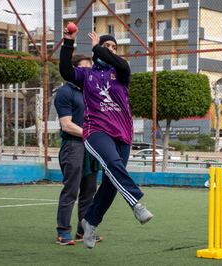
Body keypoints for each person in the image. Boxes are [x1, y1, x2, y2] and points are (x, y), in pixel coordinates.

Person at [59, 28, 153, 249]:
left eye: (114, 48)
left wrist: (98, 47)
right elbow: (65, 70)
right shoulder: (87, 75)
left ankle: (90, 222)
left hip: (123, 134)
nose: (110, 51)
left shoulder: (121, 73)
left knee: (112, 182)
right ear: (96, 52)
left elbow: (121, 63)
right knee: (112, 164)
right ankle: (136, 204)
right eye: (107, 46)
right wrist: (68, 42)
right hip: (96, 131)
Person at [54, 54, 103, 246]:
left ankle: (84, 232)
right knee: (71, 191)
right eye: (84, 69)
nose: (89, 73)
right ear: (74, 71)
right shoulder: (65, 92)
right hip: (73, 146)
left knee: (89, 192)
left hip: (90, 147)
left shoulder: (91, 92)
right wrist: (89, 133)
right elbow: (66, 125)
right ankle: (63, 232)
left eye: (90, 70)